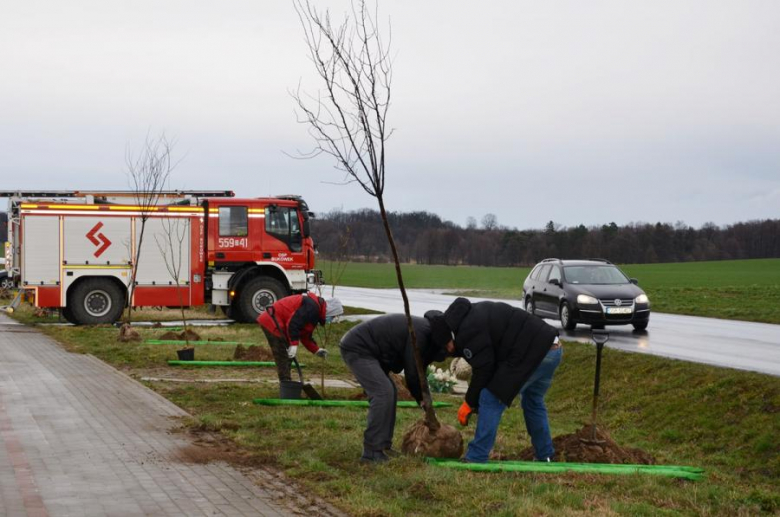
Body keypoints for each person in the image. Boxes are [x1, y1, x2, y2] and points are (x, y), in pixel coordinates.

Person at [429, 297, 561, 463]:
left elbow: (484, 369)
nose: (449, 350)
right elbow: (490, 362)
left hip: (532, 352)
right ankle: (545, 455)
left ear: (449, 335)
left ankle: (477, 456)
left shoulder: (468, 331)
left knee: (490, 398)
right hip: (553, 348)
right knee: (533, 401)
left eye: (447, 345)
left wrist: (469, 402)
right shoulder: (471, 316)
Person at [339, 312, 447, 463]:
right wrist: (422, 399)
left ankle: (383, 446)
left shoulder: (427, 333)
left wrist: (425, 398)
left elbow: (419, 370)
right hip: (359, 347)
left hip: (373, 351)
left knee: (390, 392)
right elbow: (412, 373)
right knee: (383, 393)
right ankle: (371, 452)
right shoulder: (419, 333)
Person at [257, 293, 343, 381]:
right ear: (331, 311)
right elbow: (293, 324)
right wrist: (294, 344)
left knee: (287, 356)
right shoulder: (312, 307)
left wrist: (316, 350)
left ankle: (286, 383)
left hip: (279, 323)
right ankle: (286, 385)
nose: (331, 320)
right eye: (333, 317)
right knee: (283, 356)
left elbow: (305, 334)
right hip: (272, 321)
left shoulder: (315, 311)